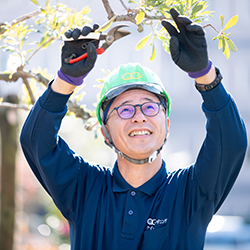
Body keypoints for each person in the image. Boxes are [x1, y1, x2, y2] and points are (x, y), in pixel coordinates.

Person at [20, 8, 247, 250]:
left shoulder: (190, 193)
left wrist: (205, 76)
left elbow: (230, 142)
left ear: (167, 125)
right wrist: (66, 80)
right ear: (105, 132)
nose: (139, 117)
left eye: (149, 108)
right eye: (125, 110)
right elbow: (36, 142)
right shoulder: (84, 189)